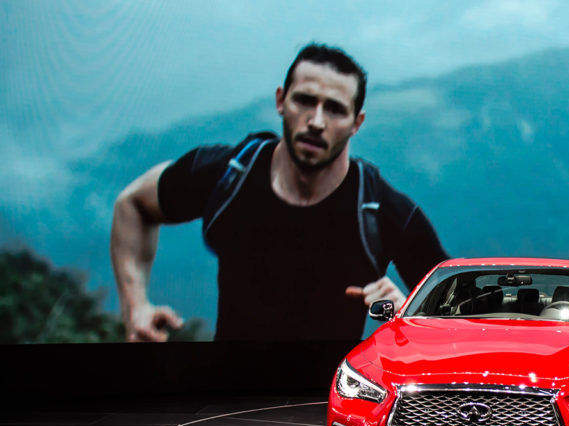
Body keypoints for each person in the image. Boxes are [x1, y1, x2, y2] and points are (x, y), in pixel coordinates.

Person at [110, 43, 447, 341]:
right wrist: (135, 308)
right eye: (304, 101)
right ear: (280, 101)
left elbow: (466, 313)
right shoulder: (231, 176)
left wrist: (410, 316)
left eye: (334, 109)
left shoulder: (379, 211)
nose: (316, 121)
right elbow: (133, 205)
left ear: (356, 123)